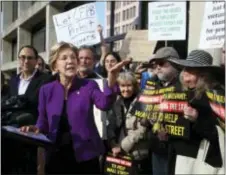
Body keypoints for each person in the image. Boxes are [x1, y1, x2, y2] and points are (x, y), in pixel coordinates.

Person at [20, 41, 131, 174]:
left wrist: (111, 80)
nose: (70, 61)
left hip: (86, 156)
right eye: (64, 58)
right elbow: (43, 121)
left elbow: (104, 104)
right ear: (55, 65)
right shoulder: (46, 90)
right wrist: (35, 128)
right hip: (56, 156)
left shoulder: (88, 86)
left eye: (73, 57)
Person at [167, 49, 224, 175]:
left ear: (204, 75)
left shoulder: (216, 96)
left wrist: (197, 119)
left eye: (191, 70)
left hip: (200, 160)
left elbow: (218, 135)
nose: (185, 74)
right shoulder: (179, 92)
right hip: (178, 156)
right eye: (185, 69)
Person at [2, 45, 50, 174]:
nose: (26, 61)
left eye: (30, 58)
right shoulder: (13, 80)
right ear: (19, 59)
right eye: (22, 57)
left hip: (30, 134)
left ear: (36, 60)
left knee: (27, 169)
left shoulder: (45, 80)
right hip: (10, 133)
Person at [107, 71, 151, 174]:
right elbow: (111, 124)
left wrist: (122, 146)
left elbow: (142, 129)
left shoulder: (143, 101)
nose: (125, 89)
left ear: (135, 86)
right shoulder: (117, 102)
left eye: (129, 85)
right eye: (122, 86)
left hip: (138, 154)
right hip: (118, 153)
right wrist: (113, 143)